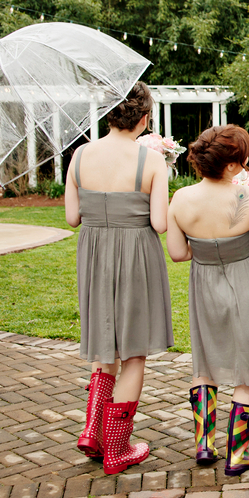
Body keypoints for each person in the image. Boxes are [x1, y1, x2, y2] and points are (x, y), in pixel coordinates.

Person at [64, 81, 172, 475]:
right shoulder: (151, 161)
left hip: (94, 254)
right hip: (135, 254)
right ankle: (117, 448)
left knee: (104, 345)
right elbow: (160, 222)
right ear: (144, 118)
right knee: (134, 352)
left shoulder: (79, 155)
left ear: (110, 114)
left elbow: (72, 218)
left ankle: (93, 433)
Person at [166, 125, 249, 476]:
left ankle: (203, 444)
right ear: (230, 166)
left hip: (204, 285)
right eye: (242, 160)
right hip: (248, 283)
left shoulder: (180, 199)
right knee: (248, 370)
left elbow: (178, 253)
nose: (245, 165)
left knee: (205, 361)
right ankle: (238, 453)